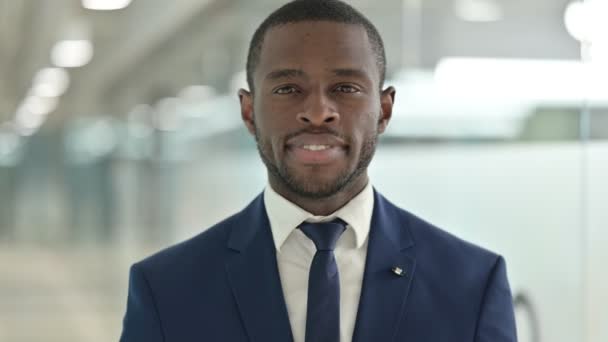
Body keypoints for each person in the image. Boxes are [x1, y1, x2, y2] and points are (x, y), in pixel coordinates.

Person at [119, 1, 517, 341]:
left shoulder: (471, 284)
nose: (317, 112)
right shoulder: (167, 289)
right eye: (288, 88)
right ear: (248, 112)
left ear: (385, 110)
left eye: (345, 88)